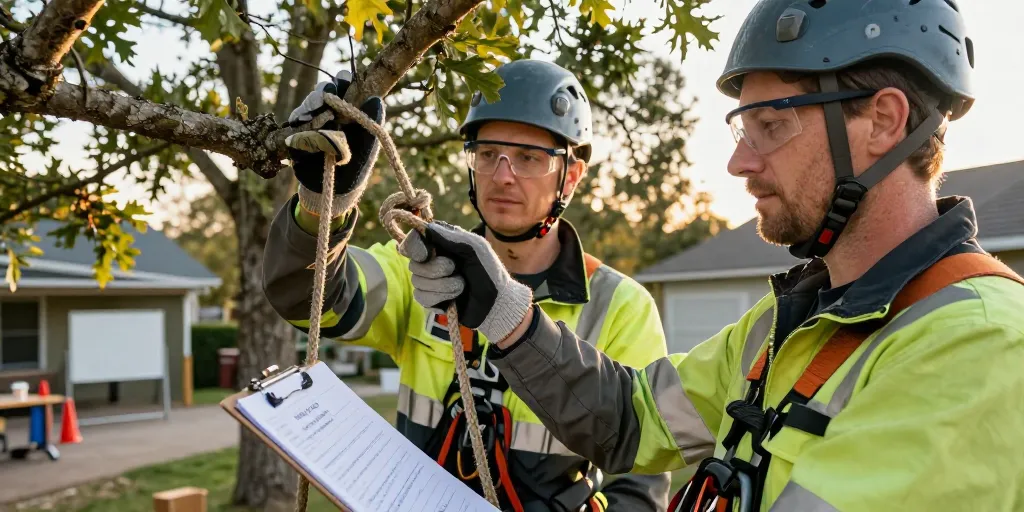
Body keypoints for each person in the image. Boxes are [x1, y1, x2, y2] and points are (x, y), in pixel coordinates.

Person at [397, 1, 1024, 511]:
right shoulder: (786, 323)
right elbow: (633, 422)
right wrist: (508, 317)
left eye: (770, 126)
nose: (738, 162)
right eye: (741, 131)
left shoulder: (980, 343)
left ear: (883, 122)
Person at [262, 59, 673, 511]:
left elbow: (639, 484)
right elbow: (309, 299)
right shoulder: (420, 264)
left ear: (570, 176)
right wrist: (321, 208)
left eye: (529, 158)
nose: (502, 175)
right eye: (487, 153)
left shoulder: (620, 306)